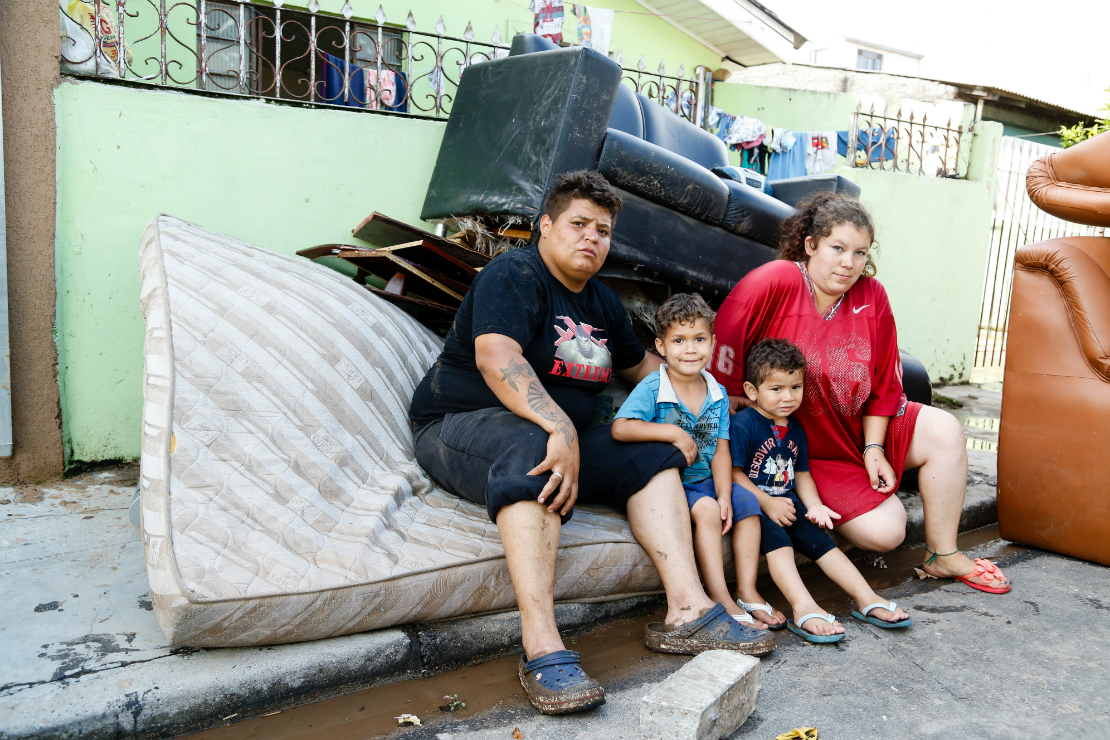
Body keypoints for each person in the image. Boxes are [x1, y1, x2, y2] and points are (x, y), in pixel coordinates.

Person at [408, 170, 774, 716]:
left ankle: (688, 612)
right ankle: (542, 644)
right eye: (578, 224)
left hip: (561, 435)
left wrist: (716, 395)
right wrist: (558, 427)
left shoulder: (600, 302)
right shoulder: (515, 274)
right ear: (546, 225)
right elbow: (497, 357)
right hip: (459, 425)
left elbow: (647, 367)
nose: (591, 239)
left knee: (654, 453)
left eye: (602, 231)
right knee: (535, 445)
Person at [712, 193, 1011, 598]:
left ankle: (943, 553)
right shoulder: (778, 279)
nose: (848, 263)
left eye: (859, 253)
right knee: (887, 532)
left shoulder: (872, 295)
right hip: (804, 449)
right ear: (811, 245)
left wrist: (874, 447)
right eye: (837, 248)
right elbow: (724, 347)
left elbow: (887, 383)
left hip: (860, 430)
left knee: (944, 427)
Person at [731, 338, 912, 643]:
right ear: (752, 391)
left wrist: (814, 505)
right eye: (777, 389)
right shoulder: (744, 425)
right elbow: (733, 474)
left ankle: (867, 597)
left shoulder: (795, 428)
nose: (787, 397)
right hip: (756, 508)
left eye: (795, 387)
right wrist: (766, 502)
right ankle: (803, 607)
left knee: (825, 545)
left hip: (788, 503)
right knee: (781, 546)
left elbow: (801, 474)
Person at [611, 293, 770, 631]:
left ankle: (748, 590)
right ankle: (720, 598)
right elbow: (621, 428)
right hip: (672, 486)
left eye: (699, 339)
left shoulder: (717, 392)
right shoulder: (654, 386)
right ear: (661, 346)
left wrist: (726, 494)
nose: (690, 349)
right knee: (709, 511)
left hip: (709, 480)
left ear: (712, 342)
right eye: (679, 340)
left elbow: (722, 450)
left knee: (747, 502)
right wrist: (671, 432)